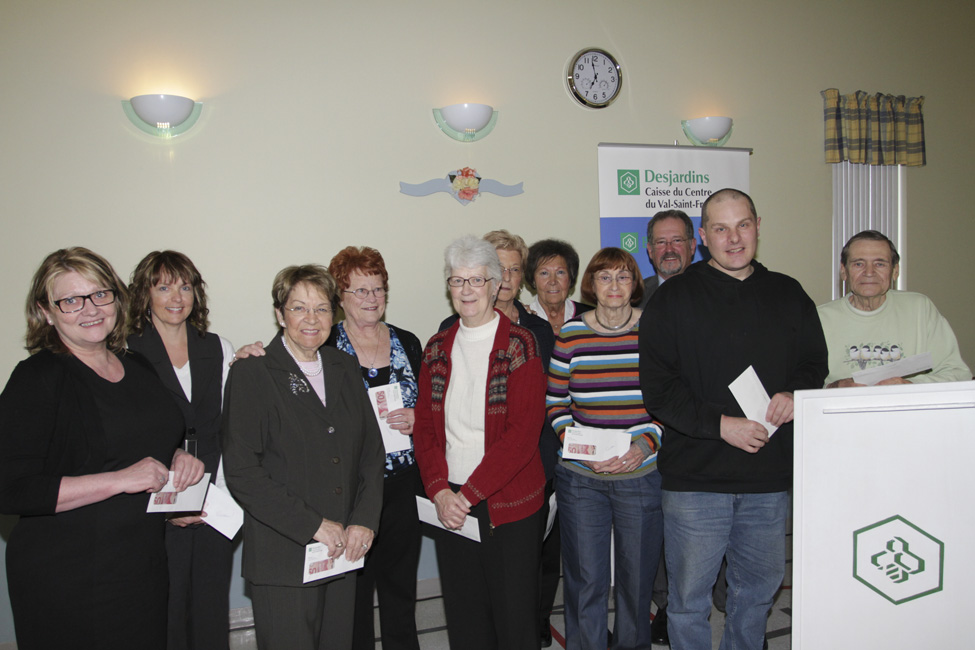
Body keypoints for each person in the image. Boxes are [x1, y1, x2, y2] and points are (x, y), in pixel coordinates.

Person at [638, 189, 828, 650]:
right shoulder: (672, 299)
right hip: (695, 481)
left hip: (768, 479)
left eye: (742, 225)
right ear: (703, 237)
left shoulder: (789, 292)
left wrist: (792, 394)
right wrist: (723, 425)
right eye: (720, 229)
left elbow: (813, 364)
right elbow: (659, 390)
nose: (734, 237)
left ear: (758, 225)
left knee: (757, 594)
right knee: (687, 601)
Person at [0, 247, 205, 650]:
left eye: (99, 294)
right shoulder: (37, 377)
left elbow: (153, 440)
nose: (89, 309)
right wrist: (120, 480)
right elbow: (9, 488)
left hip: (141, 567)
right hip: (68, 578)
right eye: (71, 300)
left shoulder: (137, 365)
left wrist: (176, 459)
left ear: (116, 298)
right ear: (46, 311)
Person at [222, 264, 384, 650]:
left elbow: (372, 453)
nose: (312, 319)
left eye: (322, 308)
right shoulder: (252, 373)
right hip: (285, 556)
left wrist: (364, 521)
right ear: (280, 314)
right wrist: (314, 525)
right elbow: (243, 472)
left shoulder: (344, 366)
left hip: (344, 551)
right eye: (298, 308)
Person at [413, 234, 547, 650]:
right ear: (449, 287)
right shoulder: (436, 347)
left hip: (508, 504)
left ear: (495, 285)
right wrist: (438, 490)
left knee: (514, 622)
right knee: (466, 618)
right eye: (458, 281)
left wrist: (467, 495)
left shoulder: (520, 344)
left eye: (477, 280)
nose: (467, 290)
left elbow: (522, 436)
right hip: (449, 502)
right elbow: (425, 429)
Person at [547, 247, 663, 650]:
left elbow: (669, 400)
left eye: (624, 277)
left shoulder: (655, 331)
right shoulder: (571, 334)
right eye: (604, 277)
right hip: (582, 479)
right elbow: (556, 403)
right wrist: (578, 446)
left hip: (640, 474)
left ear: (635, 285)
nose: (614, 286)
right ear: (591, 286)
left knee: (636, 582)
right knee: (586, 581)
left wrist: (644, 444)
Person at [126, 250, 237, 650]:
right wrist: (170, 503)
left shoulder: (218, 347)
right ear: (145, 294)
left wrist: (215, 497)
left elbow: (231, 430)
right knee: (165, 612)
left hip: (214, 504)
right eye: (163, 286)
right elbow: (127, 438)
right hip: (153, 509)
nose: (176, 296)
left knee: (210, 613)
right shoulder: (126, 352)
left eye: (185, 286)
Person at [327, 246, 424, 650]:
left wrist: (421, 418)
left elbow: (435, 406)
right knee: (355, 592)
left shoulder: (408, 341)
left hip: (404, 483)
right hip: (351, 487)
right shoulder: (324, 346)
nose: (371, 299)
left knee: (400, 586)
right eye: (360, 290)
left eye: (378, 289)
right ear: (340, 298)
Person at [817, 230, 971, 387]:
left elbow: (958, 374)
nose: (869, 272)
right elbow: (802, 384)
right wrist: (834, 387)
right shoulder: (820, 318)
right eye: (858, 264)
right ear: (844, 271)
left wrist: (909, 385)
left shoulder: (920, 309)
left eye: (879, 264)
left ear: (895, 271)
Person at [526, 238, 592, 335]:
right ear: (533, 280)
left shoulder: (589, 317)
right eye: (544, 273)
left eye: (560, 272)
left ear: (570, 278)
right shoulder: (523, 320)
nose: (553, 281)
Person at [639, 209, 698, 310]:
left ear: (692, 246)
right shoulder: (636, 296)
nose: (669, 249)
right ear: (650, 250)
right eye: (661, 242)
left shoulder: (712, 292)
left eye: (677, 240)